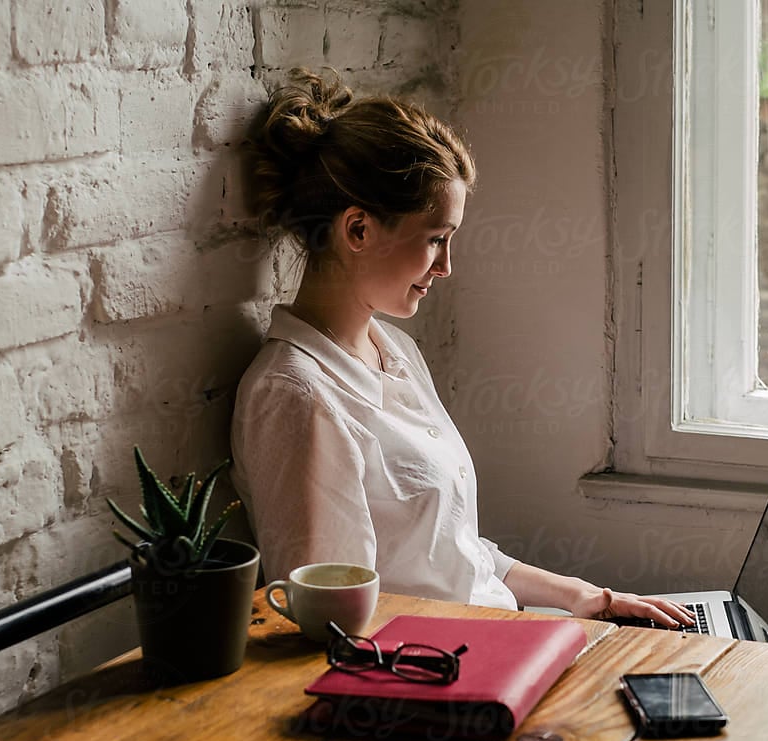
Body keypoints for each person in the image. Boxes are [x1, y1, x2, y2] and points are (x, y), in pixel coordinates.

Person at [231, 68, 694, 627]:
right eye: (435, 240)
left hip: (500, 635)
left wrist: (585, 597)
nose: (447, 267)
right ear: (358, 230)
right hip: (449, 669)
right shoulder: (296, 396)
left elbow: (452, 554)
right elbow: (330, 620)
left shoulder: (394, 350)